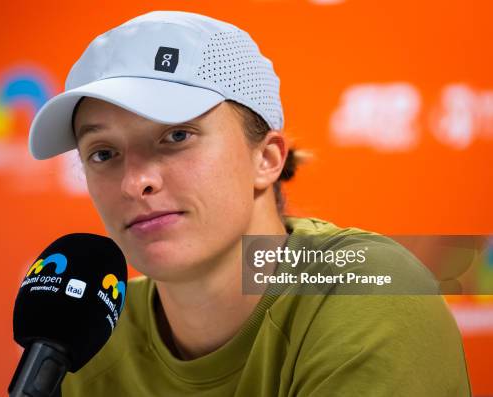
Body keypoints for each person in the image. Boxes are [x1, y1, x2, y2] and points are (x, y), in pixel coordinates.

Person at [28, 10, 471, 396]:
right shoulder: (86, 333)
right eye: (103, 153)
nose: (135, 182)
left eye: (176, 136)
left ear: (267, 158)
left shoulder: (370, 288)